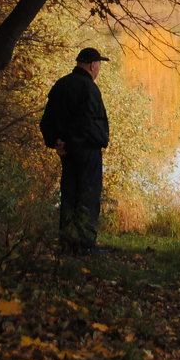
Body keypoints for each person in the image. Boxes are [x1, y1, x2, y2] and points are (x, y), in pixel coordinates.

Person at [40, 47, 110, 257]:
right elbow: (87, 122)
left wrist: (56, 142)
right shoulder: (89, 88)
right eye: (98, 65)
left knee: (69, 195)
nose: (98, 70)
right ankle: (85, 246)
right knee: (88, 195)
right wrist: (71, 141)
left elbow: (47, 120)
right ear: (92, 65)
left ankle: (67, 244)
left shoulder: (61, 85)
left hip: (67, 152)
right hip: (86, 150)